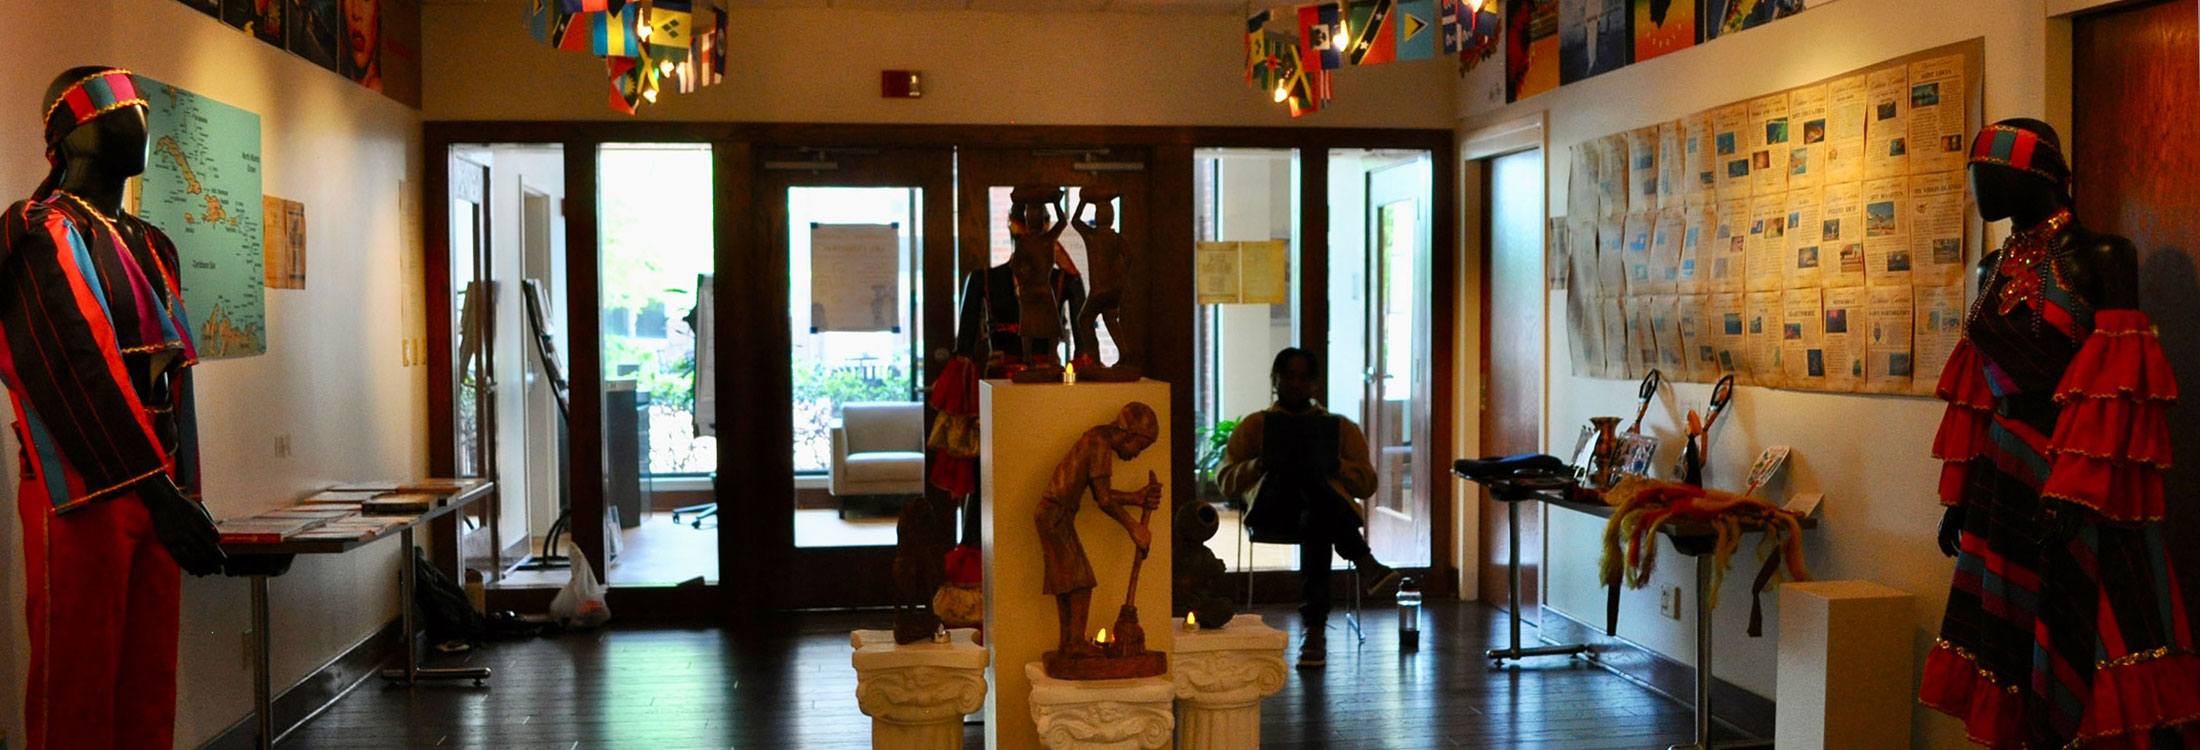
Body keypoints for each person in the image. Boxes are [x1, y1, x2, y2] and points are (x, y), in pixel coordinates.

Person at [1920, 119, 2199, 748]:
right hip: (2004, 479)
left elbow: (2118, 388)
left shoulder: (2103, 257)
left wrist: (2076, 491)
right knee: (2013, 643)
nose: (1979, 188)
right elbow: (1976, 391)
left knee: (2091, 625)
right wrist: (1961, 495)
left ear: (2036, 178)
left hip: (2081, 481)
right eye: (1976, 174)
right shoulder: (1990, 267)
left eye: (1992, 174)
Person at [6, 66, 225, 750]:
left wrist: (181, 488)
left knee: (148, 679)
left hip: (157, 483)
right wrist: (159, 491)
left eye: (138, 105)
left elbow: (173, 382)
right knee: (77, 683)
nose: (138, 116)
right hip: (84, 487)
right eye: (117, 106)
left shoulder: (153, 244)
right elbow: (72, 367)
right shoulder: (38, 232)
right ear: (72, 133)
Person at [1218, 347, 1399, 667]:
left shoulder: (1339, 428)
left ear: (1315, 384)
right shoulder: (1256, 426)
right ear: (1274, 380)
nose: (1295, 384)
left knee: (1317, 518)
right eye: (1288, 376)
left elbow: (1367, 485)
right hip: (1272, 510)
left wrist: (1335, 465)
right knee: (1311, 492)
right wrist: (1261, 464)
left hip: (1321, 518)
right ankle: (1364, 565)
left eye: (1303, 377)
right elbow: (1224, 480)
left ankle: (1314, 630)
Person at [1036, 402, 1163, 658]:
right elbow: (1104, 500)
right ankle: (1074, 643)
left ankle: (1069, 643)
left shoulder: (1098, 437)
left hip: (1054, 514)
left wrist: (1136, 497)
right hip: (1055, 516)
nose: (1137, 454)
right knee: (1080, 581)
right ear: (1131, 434)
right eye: (1141, 446)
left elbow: (1100, 493)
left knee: (1067, 582)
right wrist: (1134, 528)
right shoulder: (1099, 441)